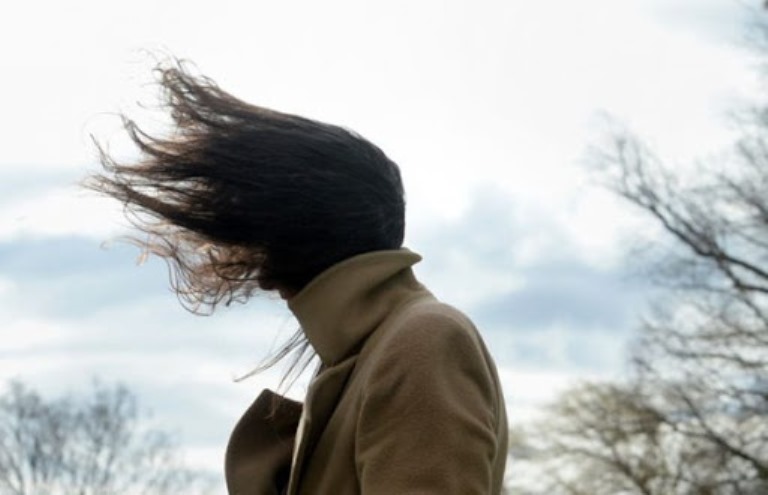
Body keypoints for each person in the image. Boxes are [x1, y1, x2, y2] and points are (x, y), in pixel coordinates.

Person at [88, 61, 508, 494]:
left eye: (241, 211)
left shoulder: (422, 340)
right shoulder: (362, 355)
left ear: (286, 224)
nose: (230, 241)